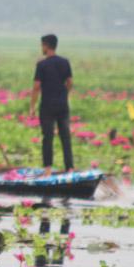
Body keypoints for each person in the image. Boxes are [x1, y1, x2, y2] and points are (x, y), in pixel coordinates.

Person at [29, 34, 74, 175]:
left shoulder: (41, 64)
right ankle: (70, 168)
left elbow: (36, 87)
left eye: (42, 45)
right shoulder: (65, 62)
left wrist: (32, 106)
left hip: (47, 105)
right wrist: (63, 93)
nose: (41, 48)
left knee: (47, 137)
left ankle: (47, 169)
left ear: (46, 46)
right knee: (65, 137)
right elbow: (70, 82)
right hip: (62, 105)